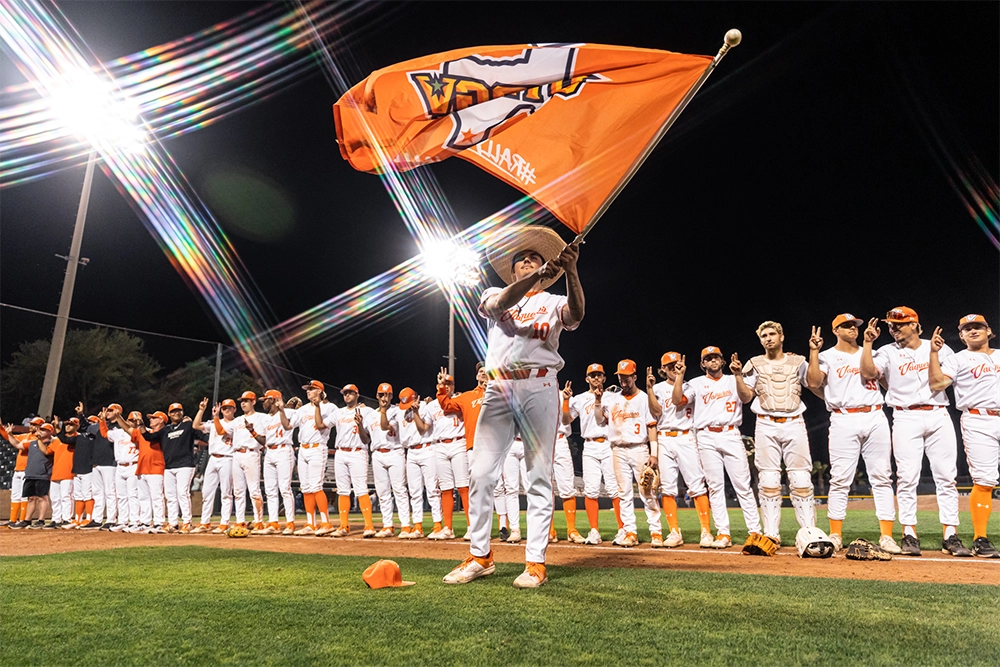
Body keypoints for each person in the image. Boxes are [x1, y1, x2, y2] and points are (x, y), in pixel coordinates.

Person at [444, 226, 582, 589]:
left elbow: (576, 315)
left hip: (540, 384)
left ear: (545, 267)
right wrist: (539, 274)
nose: (528, 262)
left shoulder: (553, 300)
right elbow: (498, 306)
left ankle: (535, 562)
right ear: (513, 269)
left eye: (535, 258)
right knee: (481, 473)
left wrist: (571, 271)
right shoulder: (495, 292)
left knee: (538, 476)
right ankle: (480, 556)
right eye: (522, 260)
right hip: (499, 386)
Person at [861, 307, 971, 557]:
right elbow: (868, 373)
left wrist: (934, 352)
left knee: (947, 477)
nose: (893, 329)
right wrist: (868, 343)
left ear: (914, 324)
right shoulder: (886, 351)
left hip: (938, 413)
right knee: (907, 478)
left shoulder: (939, 347)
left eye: (899, 324)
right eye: (891, 325)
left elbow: (945, 381)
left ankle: (950, 534)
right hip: (905, 415)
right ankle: (909, 533)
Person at [805, 314, 899, 554]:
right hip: (843, 417)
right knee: (840, 479)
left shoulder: (872, 353)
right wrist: (814, 352)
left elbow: (883, 380)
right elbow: (813, 382)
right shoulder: (826, 356)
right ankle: (835, 534)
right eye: (846, 326)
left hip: (874, 414)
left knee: (882, 477)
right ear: (835, 330)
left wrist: (868, 343)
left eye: (854, 325)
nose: (852, 328)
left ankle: (887, 536)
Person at [672, 347, 763, 549]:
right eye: (708, 358)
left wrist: (738, 375)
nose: (713, 360)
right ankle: (723, 533)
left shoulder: (733, 379)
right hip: (706, 435)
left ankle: (755, 532)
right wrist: (679, 376)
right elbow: (677, 401)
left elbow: (746, 398)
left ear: (722, 361)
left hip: (730, 433)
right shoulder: (695, 383)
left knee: (743, 485)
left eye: (716, 357)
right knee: (715, 487)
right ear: (702, 364)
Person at [741, 321, 819, 546]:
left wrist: (813, 352)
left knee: (801, 479)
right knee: (768, 480)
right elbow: (746, 397)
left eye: (772, 334)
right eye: (764, 335)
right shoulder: (753, 364)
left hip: (794, 421)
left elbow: (814, 382)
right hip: (765, 422)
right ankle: (771, 534)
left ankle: (809, 533)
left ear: (781, 336)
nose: (768, 338)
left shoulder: (798, 361)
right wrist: (737, 376)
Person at [927, 314, 1000, 557]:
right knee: (984, 480)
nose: (973, 331)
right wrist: (934, 354)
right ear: (961, 336)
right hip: (979, 420)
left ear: (988, 331)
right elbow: (937, 385)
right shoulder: (957, 359)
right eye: (967, 329)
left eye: (978, 326)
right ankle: (980, 539)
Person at [649, 352, 714, 548]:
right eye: (669, 365)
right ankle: (674, 532)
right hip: (664, 438)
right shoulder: (657, 388)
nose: (673, 368)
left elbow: (678, 399)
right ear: (662, 369)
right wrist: (649, 390)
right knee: (667, 488)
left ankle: (706, 531)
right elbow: (655, 413)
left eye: (676, 364)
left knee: (697, 485)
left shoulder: (689, 386)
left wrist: (680, 377)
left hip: (686, 436)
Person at [600, 359, 661, 548]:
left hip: (639, 448)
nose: (623, 381)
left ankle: (656, 531)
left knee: (647, 491)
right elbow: (600, 419)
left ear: (634, 377)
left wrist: (654, 453)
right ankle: (630, 532)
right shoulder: (612, 399)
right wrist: (597, 400)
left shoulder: (643, 398)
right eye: (620, 377)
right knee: (623, 493)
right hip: (617, 449)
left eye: (627, 378)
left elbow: (652, 426)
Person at [563, 363, 622, 545]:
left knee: (614, 488)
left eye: (599, 375)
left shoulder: (613, 397)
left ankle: (622, 529)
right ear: (587, 378)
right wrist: (565, 401)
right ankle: (594, 530)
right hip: (589, 445)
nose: (596, 378)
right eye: (592, 375)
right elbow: (566, 420)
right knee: (591, 490)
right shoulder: (579, 399)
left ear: (604, 377)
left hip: (609, 444)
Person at [282, 381, 338, 536]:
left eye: (311, 389)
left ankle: (326, 523)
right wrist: (281, 410)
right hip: (303, 448)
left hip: (317, 447)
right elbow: (287, 426)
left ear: (319, 391)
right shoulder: (303, 409)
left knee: (316, 486)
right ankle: (310, 523)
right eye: (307, 389)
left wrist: (319, 406)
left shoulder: (330, 407)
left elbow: (326, 425)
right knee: (306, 488)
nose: (308, 391)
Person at [143, 401, 202, 533]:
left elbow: (200, 434)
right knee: (170, 496)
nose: (176, 413)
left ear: (182, 412)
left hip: (185, 465)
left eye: (178, 411)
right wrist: (141, 425)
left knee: (182, 493)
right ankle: (173, 523)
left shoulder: (188, 425)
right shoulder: (166, 430)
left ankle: (187, 522)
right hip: (169, 466)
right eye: (173, 411)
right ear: (169, 414)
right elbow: (149, 437)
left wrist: (199, 412)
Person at [330, 383, 377, 537]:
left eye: (350, 392)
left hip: (357, 452)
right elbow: (321, 424)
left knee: (361, 489)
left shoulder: (367, 411)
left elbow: (367, 438)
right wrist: (318, 405)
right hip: (340, 452)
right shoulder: (338, 412)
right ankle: (343, 526)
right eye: (345, 393)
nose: (347, 395)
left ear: (357, 395)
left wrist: (361, 421)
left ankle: (369, 526)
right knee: (342, 490)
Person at [368, 383, 412, 537]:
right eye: (381, 394)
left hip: (395, 452)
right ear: (377, 396)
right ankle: (388, 525)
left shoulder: (397, 411)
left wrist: (384, 410)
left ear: (392, 396)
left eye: (387, 395)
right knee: (382, 492)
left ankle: (405, 525)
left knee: (399, 490)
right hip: (377, 454)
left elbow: (385, 426)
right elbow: (365, 436)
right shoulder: (370, 415)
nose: (384, 398)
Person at [398, 387, 441, 539]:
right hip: (410, 451)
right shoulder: (400, 411)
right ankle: (418, 526)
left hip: (427, 448)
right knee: (414, 492)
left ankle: (437, 525)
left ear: (416, 398)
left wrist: (424, 406)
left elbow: (424, 429)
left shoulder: (426, 406)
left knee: (432, 489)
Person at [433, 372, 471, 539]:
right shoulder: (432, 405)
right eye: (444, 384)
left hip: (458, 443)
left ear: (454, 386)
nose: (447, 386)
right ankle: (448, 528)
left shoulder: (460, 399)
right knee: (446, 488)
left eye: (450, 383)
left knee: (463, 486)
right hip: (439, 445)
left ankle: (471, 527)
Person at [191, 401, 236, 534]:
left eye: (230, 408)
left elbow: (221, 431)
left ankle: (224, 523)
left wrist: (215, 417)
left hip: (227, 458)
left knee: (226, 493)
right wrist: (201, 410)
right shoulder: (215, 422)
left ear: (234, 409)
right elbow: (195, 425)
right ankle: (205, 522)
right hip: (213, 458)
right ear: (221, 410)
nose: (227, 410)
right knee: (206, 492)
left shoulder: (236, 423)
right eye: (224, 408)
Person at [258, 390, 296, 535]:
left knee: (285, 488)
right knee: (270, 490)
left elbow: (291, 425)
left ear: (273, 400)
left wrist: (283, 409)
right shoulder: (265, 419)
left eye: (265, 400)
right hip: (269, 451)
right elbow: (264, 440)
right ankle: (273, 523)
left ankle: (290, 523)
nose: (263, 402)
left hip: (283, 450)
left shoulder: (290, 412)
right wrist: (253, 432)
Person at [121, 411, 165, 534]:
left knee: (156, 497)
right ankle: (145, 522)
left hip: (156, 468)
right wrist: (118, 417)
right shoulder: (144, 433)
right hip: (142, 468)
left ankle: (159, 522)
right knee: (143, 497)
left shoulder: (164, 433)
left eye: (154, 418)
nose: (151, 420)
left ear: (161, 420)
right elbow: (127, 429)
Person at [102, 404, 140, 533]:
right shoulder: (118, 432)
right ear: (127, 420)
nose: (133, 422)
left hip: (133, 465)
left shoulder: (141, 433)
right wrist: (102, 421)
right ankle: (123, 521)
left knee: (133, 495)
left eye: (135, 420)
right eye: (131, 420)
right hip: (120, 466)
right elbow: (104, 433)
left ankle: (135, 521)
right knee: (121, 496)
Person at [0, 417, 37, 527]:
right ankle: (13, 519)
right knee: (15, 495)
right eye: (31, 424)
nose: (31, 426)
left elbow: (19, 444)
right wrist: (1, 428)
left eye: (34, 424)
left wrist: (11, 436)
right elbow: (9, 438)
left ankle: (23, 520)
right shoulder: (25, 436)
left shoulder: (39, 439)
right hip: (18, 469)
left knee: (25, 496)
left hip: (28, 470)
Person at [22, 422, 56, 528]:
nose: (41, 431)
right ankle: (27, 520)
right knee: (31, 498)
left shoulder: (52, 443)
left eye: (44, 430)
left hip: (43, 474)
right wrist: (8, 434)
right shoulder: (32, 443)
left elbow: (45, 452)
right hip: (31, 474)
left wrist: (40, 439)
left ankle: (41, 520)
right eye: (41, 429)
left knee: (42, 498)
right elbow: (18, 445)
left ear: (50, 432)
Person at [87, 412, 118, 529]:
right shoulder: (100, 425)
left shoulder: (119, 427)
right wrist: (81, 415)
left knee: (110, 492)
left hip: (110, 462)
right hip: (97, 462)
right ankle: (97, 518)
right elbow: (86, 427)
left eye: (110, 410)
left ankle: (111, 519)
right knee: (97, 492)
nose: (107, 412)